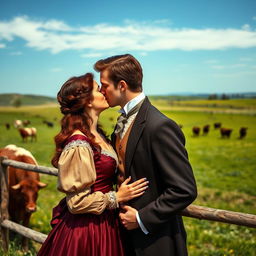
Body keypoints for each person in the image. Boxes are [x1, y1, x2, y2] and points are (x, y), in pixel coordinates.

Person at [94, 54, 197, 256]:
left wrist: (142, 218)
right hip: (124, 237)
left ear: (122, 86)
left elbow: (184, 189)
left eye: (104, 85)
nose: (101, 90)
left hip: (156, 240)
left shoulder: (159, 126)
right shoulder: (122, 121)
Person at [37, 72, 148, 256]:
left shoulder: (99, 135)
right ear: (88, 101)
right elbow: (76, 203)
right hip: (86, 230)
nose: (104, 91)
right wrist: (116, 197)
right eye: (98, 89)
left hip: (106, 222)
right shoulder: (78, 142)